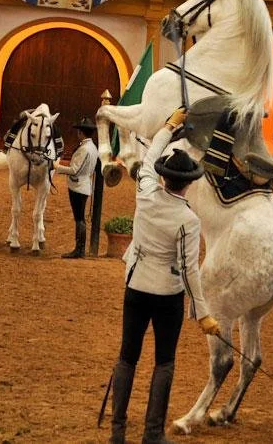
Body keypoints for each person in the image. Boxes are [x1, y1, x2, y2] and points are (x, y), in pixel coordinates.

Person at [108, 107, 220, 444]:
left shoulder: (144, 190)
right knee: (164, 362)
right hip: (167, 296)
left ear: (164, 176)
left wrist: (169, 126)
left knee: (127, 356)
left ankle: (117, 431)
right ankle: (152, 433)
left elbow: (152, 152)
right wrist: (203, 314)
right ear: (187, 184)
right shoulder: (188, 220)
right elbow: (188, 271)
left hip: (136, 286)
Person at [54, 116, 98, 259]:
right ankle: (79, 248)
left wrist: (57, 167)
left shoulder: (85, 149)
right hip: (82, 185)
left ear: (81, 132)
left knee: (79, 219)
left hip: (79, 186)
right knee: (79, 218)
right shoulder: (91, 147)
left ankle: (79, 249)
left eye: (78, 131)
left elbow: (75, 170)